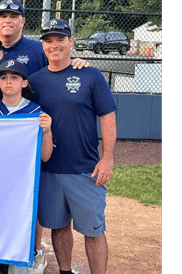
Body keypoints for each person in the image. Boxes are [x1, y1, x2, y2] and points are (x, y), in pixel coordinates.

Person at [27, 19, 117, 274]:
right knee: (58, 226)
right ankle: (65, 271)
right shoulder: (35, 81)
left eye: (60, 39)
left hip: (85, 169)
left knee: (94, 230)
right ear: (42, 45)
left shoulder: (90, 75)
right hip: (50, 169)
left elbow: (108, 116)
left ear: (71, 42)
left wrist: (107, 157)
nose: (54, 45)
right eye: (48, 40)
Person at [0, 58, 54, 274]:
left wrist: (47, 131)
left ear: (24, 83)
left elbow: (46, 156)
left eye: (14, 77)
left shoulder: (36, 113)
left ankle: (16, 266)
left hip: (22, 187)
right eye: (4, 78)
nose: (8, 82)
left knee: (18, 233)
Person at [0, 0, 90, 77]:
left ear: (22, 22)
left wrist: (75, 63)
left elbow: (61, 68)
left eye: (13, 17)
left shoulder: (40, 50)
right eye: (3, 16)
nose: (8, 21)